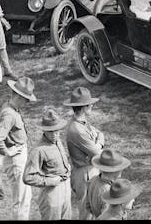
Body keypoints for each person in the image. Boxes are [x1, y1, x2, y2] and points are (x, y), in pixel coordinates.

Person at [0, 76, 36, 220]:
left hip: (18, 157)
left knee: (24, 197)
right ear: (17, 96)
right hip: (16, 160)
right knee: (21, 200)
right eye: (25, 98)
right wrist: (8, 151)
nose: (27, 101)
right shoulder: (10, 114)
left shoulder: (10, 107)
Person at [23, 108, 72, 220]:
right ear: (44, 130)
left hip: (65, 189)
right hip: (52, 193)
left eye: (57, 130)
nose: (55, 134)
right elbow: (27, 177)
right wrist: (50, 181)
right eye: (50, 131)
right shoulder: (38, 150)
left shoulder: (58, 141)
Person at [64, 87, 105, 219]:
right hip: (84, 173)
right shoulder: (77, 129)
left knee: (94, 207)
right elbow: (98, 153)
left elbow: (100, 133)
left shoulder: (81, 122)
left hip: (89, 169)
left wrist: (98, 141)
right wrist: (99, 143)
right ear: (83, 107)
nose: (92, 105)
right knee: (87, 212)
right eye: (89, 104)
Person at [85, 149, 131, 219]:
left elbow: (88, 206)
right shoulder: (108, 191)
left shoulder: (93, 181)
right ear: (114, 171)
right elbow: (109, 215)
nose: (122, 170)